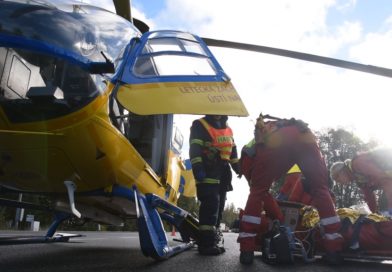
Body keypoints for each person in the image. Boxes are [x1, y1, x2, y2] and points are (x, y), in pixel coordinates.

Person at [238, 114, 344, 265]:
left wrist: (280, 220)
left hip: (279, 139)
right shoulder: (265, 135)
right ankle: (334, 250)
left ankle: (246, 249)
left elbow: (262, 194)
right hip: (305, 134)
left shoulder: (246, 161)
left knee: (257, 191)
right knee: (321, 188)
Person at [189, 115, 240, 255]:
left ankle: (212, 241)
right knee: (210, 206)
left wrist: (239, 168)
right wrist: (198, 167)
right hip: (207, 172)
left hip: (223, 174)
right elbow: (195, 147)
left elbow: (232, 153)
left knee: (219, 208)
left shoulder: (228, 130)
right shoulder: (200, 124)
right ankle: (205, 245)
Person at [330, 149, 392, 214]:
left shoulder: (357, 163)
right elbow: (370, 198)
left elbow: (384, 178)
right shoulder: (359, 179)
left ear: (341, 172)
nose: (340, 183)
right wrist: (373, 216)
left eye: (338, 180)